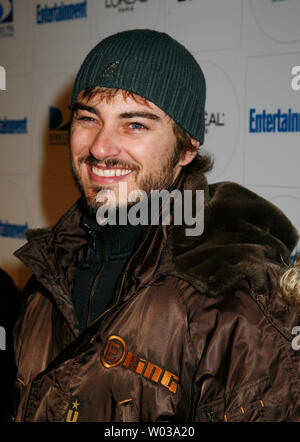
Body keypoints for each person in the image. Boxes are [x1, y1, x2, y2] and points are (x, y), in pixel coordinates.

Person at [11, 29, 300, 422]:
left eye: (135, 125)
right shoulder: (44, 280)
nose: (100, 147)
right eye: (88, 118)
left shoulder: (237, 306)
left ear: (186, 148)